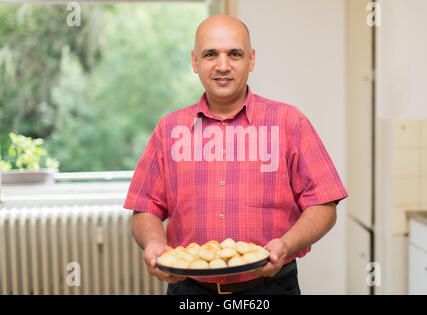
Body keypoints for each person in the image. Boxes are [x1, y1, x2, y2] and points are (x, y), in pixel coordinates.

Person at [123, 14, 348, 295]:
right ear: (194, 61)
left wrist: (286, 245)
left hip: (271, 289)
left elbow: (324, 204)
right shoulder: (169, 129)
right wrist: (155, 245)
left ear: (251, 59)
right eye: (210, 54)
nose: (222, 65)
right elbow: (144, 207)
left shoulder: (290, 123)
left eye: (234, 54)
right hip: (190, 291)